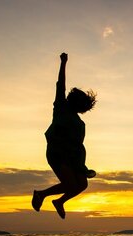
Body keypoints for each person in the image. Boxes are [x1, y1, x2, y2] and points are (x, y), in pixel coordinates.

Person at [32, 52, 97, 219]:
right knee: (70, 184)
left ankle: (59, 201)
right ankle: (41, 194)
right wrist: (63, 63)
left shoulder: (79, 122)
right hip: (57, 153)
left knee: (82, 184)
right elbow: (60, 84)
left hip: (72, 157)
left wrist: (83, 169)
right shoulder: (61, 107)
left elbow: (78, 147)